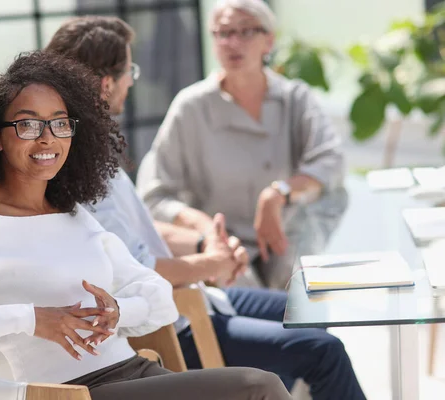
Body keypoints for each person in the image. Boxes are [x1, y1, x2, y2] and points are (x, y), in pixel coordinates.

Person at [0, 50, 292, 400]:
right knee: (258, 387)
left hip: (137, 373)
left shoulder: (73, 213)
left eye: (59, 123)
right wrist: (29, 318)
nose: (47, 139)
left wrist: (118, 311)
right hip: (76, 393)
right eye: (28, 125)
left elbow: (156, 296)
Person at [47, 15, 366, 400]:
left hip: (199, 294)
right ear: (106, 82)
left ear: (268, 41)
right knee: (323, 351)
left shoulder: (96, 157)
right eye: (129, 70)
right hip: (178, 318)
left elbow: (139, 231)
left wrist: (203, 243)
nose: (133, 80)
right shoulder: (85, 170)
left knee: (309, 312)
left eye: (245, 32)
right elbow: (136, 268)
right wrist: (211, 264)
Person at [136, 0, 348, 291]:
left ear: (268, 40)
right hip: (222, 251)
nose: (233, 42)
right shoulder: (191, 107)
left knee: (306, 305)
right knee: (256, 316)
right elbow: (154, 195)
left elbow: (331, 162)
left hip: (288, 244)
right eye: (223, 33)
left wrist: (278, 194)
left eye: (247, 31)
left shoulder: (295, 99)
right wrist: (206, 230)